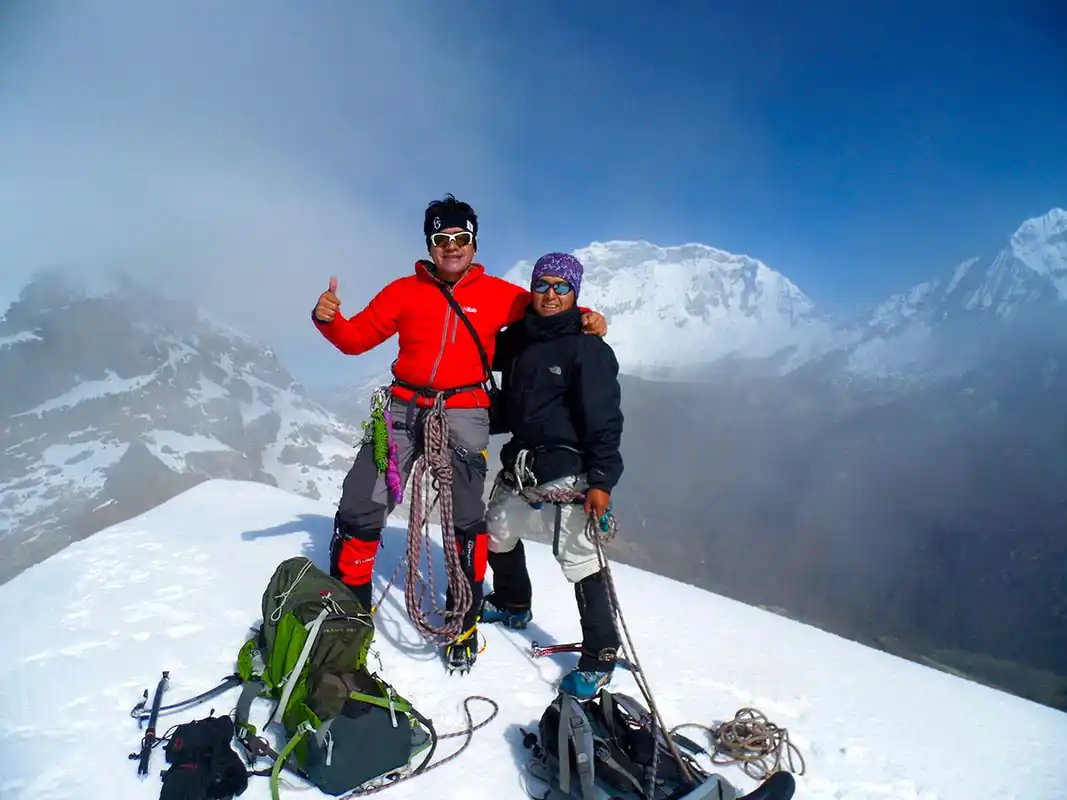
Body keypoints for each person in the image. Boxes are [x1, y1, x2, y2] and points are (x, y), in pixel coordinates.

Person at [311, 195, 607, 674]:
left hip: (465, 410)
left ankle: (462, 617)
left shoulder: (499, 294)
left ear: (473, 242)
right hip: (404, 408)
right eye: (441, 239)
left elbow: (549, 306)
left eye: (460, 239)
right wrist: (328, 320)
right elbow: (355, 339)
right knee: (360, 504)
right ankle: (350, 610)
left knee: (466, 521)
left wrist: (590, 316)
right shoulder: (403, 292)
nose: (451, 247)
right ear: (430, 244)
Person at [478, 252, 625, 700]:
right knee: (497, 533)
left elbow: (604, 418)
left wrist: (601, 481)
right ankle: (513, 602)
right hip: (523, 461)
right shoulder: (519, 340)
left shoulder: (589, 348)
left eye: (562, 287)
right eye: (543, 285)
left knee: (579, 559)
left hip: (570, 467)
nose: (551, 294)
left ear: (575, 293)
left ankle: (601, 654)